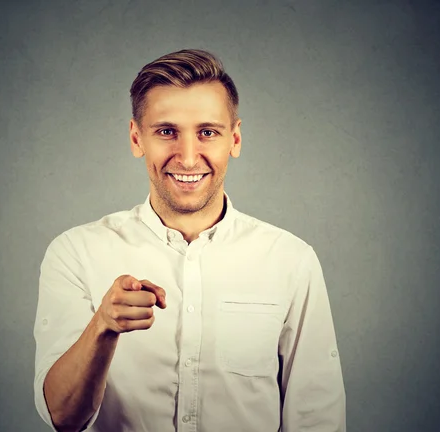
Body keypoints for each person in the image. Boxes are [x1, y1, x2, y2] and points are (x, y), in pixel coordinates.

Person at [33, 49, 346, 432]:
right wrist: (102, 326)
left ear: (234, 138)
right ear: (136, 138)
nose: (187, 156)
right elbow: (63, 419)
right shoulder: (75, 254)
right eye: (166, 132)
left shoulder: (291, 260)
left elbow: (317, 419)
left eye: (207, 132)